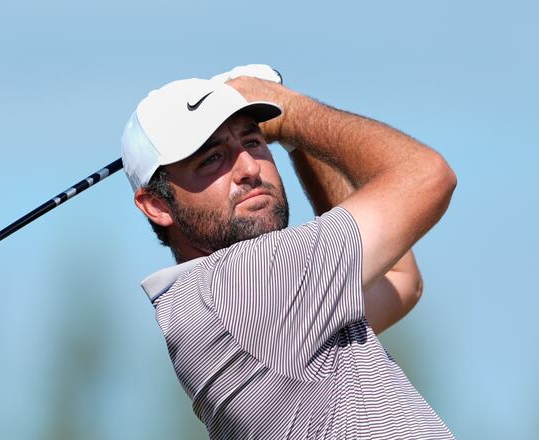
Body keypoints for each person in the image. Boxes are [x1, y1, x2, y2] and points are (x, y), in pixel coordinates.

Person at [120, 65, 456, 439]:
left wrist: (298, 143)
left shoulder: (212, 302)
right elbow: (427, 176)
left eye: (253, 142)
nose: (249, 168)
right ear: (156, 205)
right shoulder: (241, 284)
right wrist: (292, 113)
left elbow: (399, 281)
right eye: (211, 158)